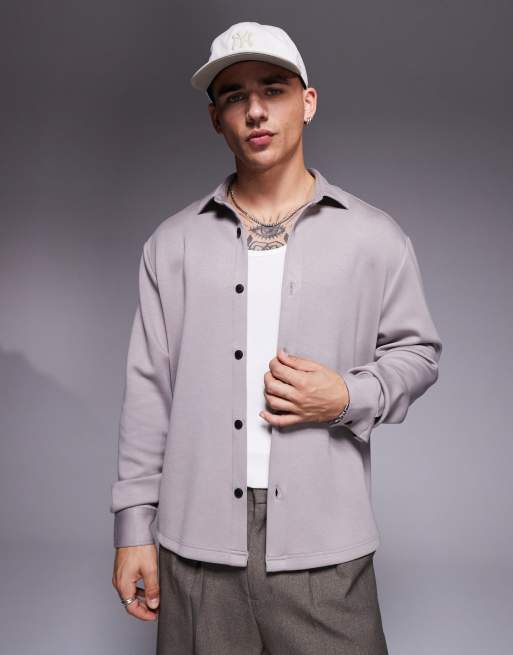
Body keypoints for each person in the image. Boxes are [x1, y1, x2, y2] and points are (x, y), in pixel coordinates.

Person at [111, 21, 443, 654]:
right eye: (235, 96)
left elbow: (418, 353)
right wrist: (133, 527)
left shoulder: (374, 237)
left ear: (307, 102)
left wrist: (347, 396)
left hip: (325, 545)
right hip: (196, 548)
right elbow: (149, 392)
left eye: (273, 89)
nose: (256, 110)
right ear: (217, 119)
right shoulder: (171, 245)